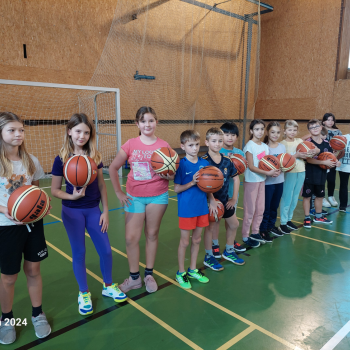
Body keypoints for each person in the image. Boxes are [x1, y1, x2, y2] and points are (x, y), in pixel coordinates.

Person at [51, 113, 126, 316]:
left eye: (86, 132)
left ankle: (108, 285)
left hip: (94, 210)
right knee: (79, 253)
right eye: (78, 131)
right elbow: (55, 190)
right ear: (69, 132)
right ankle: (83, 292)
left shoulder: (95, 156)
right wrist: (72, 197)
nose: (82, 136)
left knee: (106, 251)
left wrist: (106, 212)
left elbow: (102, 185)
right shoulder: (61, 159)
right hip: (72, 212)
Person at [109, 107, 173, 294]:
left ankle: (149, 274)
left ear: (157, 122)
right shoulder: (130, 144)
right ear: (137, 124)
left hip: (158, 196)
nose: (147, 124)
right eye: (143, 121)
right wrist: (119, 193)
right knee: (131, 238)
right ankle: (134, 278)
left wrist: (169, 175)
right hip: (134, 197)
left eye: (151, 120)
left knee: (152, 234)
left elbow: (171, 174)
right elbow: (113, 168)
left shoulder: (164, 145)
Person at [0, 112, 51, 344]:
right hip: (7, 227)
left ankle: (37, 314)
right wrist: (5, 210)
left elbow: (37, 192)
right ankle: (7, 319)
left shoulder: (31, 161)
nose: (18, 134)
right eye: (12, 130)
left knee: (33, 271)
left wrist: (41, 207)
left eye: (21, 129)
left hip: (33, 226)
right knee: (9, 277)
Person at [174, 130, 217, 289]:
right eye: (190, 145)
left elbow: (209, 186)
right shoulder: (181, 164)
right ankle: (180, 272)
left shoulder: (205, 164)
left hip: (201, 208)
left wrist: (211, 199)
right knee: (185, 242)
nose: (194, 148)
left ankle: (192, 269)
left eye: (197, 144)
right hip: (186, 209)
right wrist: (191, 183)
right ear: (183, 146)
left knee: (197, 239)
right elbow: (176, 189)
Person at [202, 127, 244, 271]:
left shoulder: (227, 160)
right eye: (214, 141)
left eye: (220, 141)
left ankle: (229, 250)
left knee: (234, 224)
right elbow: (204, 185)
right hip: (210, 202)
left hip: (225, 199)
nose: (217, 144)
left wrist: (233, 198)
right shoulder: (204, 161)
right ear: (207, 142)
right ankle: (209, 256)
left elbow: (236, 178)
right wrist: (212, 200)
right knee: (210, 228)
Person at [242, 120, 279, 247]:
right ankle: (245, 236)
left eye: (262, 129)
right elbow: (251, 166)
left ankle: (255, 232)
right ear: (251, 131)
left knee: (260, 209)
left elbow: (269, 163)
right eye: (257, 129)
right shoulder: (249, 146)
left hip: (262, 180)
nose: (260, 131)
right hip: (251, 181)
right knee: (250, 210)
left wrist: (274, 171)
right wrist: (268, 173)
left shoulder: (264, 146)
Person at [302, 119, 340, 228]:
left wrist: (336, 162)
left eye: (316, 126)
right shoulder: (308, 144)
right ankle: (307, 217)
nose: (315, 129)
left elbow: (331, 157)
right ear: (309, 130)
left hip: (322, 174)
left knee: (320, 196)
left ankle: (318, 216)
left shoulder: (326, 144)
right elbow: (309, 160)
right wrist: (323, 162)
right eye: (312, 127)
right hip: (309, 174)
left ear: (321, 128)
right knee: (307, 197)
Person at [279, 120, 313, 234]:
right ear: (284, 131)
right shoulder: (282, 144)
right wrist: (297, 155)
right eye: (289, 130)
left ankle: (289, 220)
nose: (292, 132)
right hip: (290, 173)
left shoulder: (300, 141)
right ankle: (283, 223)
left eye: (294, 130)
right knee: (287, 198)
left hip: (301, 171)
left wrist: (311, 152)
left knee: (294, 198)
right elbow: (284, 161)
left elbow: (312, 149)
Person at [218, 122, 246, 254]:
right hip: (219, 192)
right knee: (217, 221)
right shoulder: (217, 151)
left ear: (237, 137)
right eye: (226, 134)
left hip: (233, 192)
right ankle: (215, 245)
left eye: (233, 135)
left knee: (230, 218)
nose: (230, 137)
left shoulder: (239, 153)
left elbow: (240, 172)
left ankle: (231, 241)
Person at [259, 122, 285, 241]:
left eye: (278, 132)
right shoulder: (264, 147)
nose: (275, 135)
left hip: (280, 181)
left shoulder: (282, 147)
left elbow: (285, 163)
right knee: (266, 207)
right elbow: (260, 165)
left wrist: (284, 167)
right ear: (267, 132)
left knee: (275, 206)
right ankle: (263, 229)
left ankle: (271, 226)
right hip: (268, 182)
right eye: (273, 132)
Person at [336, 125, 350, 212]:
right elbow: (335, 150)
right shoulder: (343, 138)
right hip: (344, 164)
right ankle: (342, 206)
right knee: (343, 184)